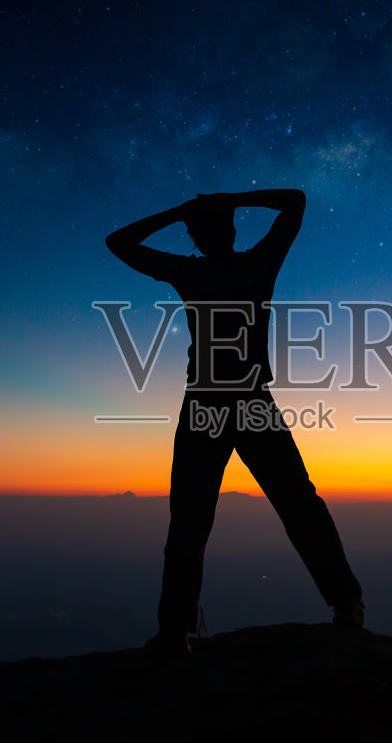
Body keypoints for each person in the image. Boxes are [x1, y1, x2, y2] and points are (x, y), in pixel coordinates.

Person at [106, 189, 364, 658]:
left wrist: (180, 211)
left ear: (208, 234)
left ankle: (173, 633)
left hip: (210, 404)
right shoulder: (257, 262)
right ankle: (346, 603)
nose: (205, 235)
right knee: (293, 505)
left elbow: (119, 243)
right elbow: (294, 203)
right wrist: (229, 201)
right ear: (228, 230)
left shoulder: (193, 271)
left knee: (195, 517)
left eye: (204, 227)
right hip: (246, 401)